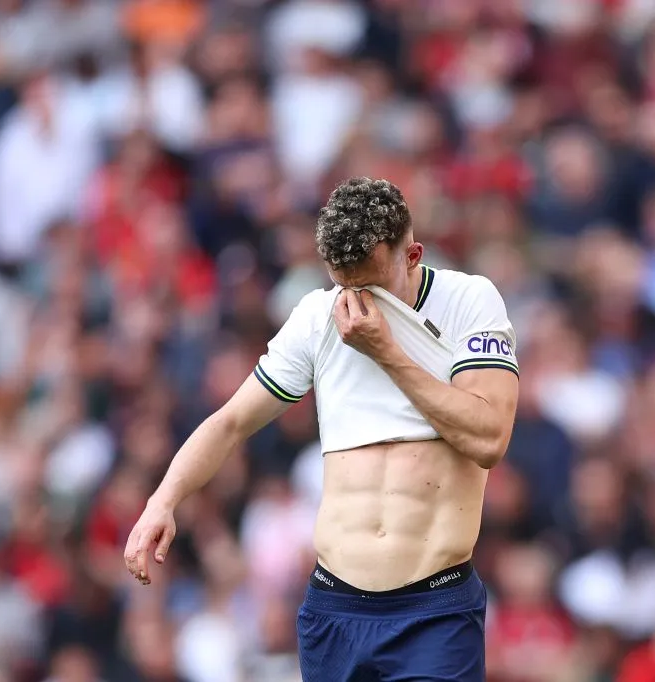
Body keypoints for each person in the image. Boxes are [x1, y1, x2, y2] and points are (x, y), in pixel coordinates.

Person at [123, 177, 520, 681]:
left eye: (372, 285)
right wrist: (163, 499)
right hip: (335, 612)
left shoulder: (468, 301)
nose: (356, 304)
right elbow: (229, 423)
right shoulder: (318, 315)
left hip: (434, 611)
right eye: (344, 284)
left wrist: (388, 354)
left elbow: (490, 439)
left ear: (412, 255)